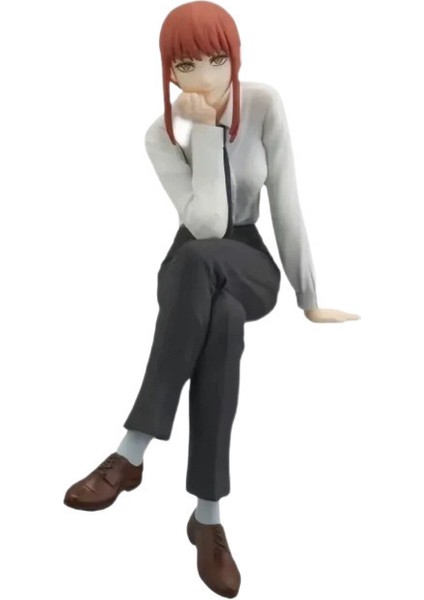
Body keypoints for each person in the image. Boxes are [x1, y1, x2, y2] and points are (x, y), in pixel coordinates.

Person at [63, 2, 359, 597]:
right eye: (187, 65)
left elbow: (284, 201)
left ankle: (130, 453)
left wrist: (308, 295)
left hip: (248, 262)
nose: (204, 76)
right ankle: (208, 518)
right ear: (169, 72)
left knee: (212, 276)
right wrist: (202, 130)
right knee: (219, 318)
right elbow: (203, 224)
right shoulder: (160, 134)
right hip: (190, 264)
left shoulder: (265, 104)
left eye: (217, 59)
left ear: (236, 57)